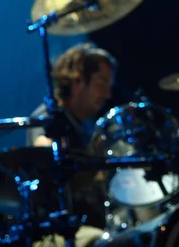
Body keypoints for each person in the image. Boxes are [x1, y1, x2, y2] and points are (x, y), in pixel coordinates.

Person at [26, 42, 116, 247]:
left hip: (92, 226)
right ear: (77, 81)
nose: (107, 95)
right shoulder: (48, 118)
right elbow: (44, 149)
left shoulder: (84, 125)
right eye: (102, 84)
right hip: (57, 233)